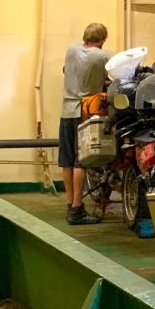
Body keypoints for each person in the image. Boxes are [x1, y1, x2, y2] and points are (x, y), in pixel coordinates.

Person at [58, 23, 109, 225]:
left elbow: (65, 70)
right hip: (86, 111)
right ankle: (78, 208)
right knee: (82, 161)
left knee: (67, 160)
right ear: (102, 40)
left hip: (66, 111)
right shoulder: (102, 56)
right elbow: (118, 73)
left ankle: (70, 204)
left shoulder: (71, 50)